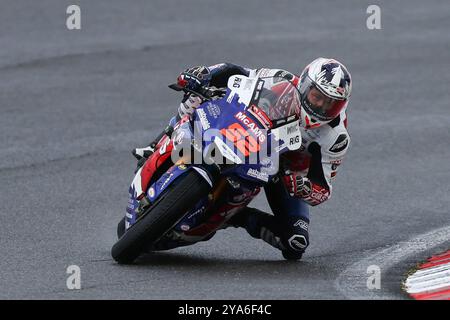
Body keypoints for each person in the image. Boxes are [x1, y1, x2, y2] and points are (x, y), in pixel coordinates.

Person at [134, 58, 352, 260]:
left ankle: (236, 217)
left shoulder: (335, 137)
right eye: (318, 97)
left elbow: (323, 189)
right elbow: (237, 72)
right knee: (196, 95)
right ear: (305, 85)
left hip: (283, 175)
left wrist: (302, 187)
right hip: (247, 136)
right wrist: (205, 73)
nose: (322, 107)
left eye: (331, 104)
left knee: (295, 243)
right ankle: (159, 142)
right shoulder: (281, 81)